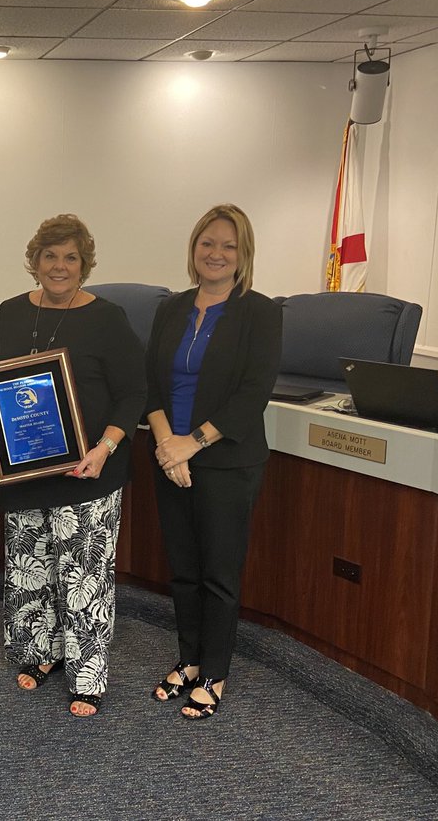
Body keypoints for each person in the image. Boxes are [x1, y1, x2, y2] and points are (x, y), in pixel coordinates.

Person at [0, 214, 145, 717]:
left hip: (89, 472)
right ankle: (40, 654)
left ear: (85, 264)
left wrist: (105, 447)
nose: (59, 266)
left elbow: (134, 392)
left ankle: (87, 675)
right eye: (49, 256)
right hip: (25, 472)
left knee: (84, 574)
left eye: (70, 257)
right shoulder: (9, 313)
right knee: (29, 569)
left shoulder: (108, 318)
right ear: (34, 262)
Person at [145, 204, 281, 720]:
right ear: (194, 249)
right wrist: (166, 444)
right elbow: (151, 384)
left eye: (228, 245)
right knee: (182, 570)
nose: (216, 254)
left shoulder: (261, 313)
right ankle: (188, 660)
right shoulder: (170, 308)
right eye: (208, 243)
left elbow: (252, 395)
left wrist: (191, 443)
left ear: (243, 254)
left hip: (227, 460)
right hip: (169, 455)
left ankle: (216, 671)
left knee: (218, 573)